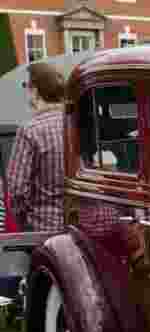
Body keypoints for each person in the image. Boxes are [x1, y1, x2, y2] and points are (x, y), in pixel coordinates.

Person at [5, 62, 66, 233]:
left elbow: (16, 190)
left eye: (27, 86)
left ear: (35, 90)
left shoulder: (30, 130)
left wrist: (22, 222)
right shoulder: (75, 124)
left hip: (42, 228)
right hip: (77, 225)